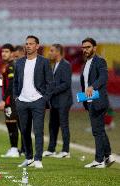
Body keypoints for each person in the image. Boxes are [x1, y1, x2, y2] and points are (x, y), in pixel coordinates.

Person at [13, 35, 53, 169]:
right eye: (26, 44)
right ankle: (29, 157)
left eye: (31, 44)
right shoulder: (19, 62)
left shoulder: (44, 62)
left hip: (38, 101)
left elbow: (50, 83)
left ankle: (38, 159)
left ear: (37, 46)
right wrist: (16, 97)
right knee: (24, 131)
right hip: (22, 101)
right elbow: (16, 82)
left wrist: (44, 99)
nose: (28, 46)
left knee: (38, 130)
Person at [80, 37, 115, 168]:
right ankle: (108, 156)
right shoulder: (85, 64)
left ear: (94, 48)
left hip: (98, 100)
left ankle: (99, 160)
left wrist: (92, 86)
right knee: (99, 130)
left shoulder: (100, 61)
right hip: (89, 101)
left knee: (97, 130)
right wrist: (84, 98)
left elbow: (103, 78)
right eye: (83, 47)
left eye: (88, 47)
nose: (85, 50)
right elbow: (85, 84)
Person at [43, 44, 73, 158]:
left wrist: (51, 91)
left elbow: (66, 84)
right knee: (53, 125)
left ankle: (66, 151)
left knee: (64, 125)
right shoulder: (54, 65)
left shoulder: (65, 65)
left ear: (58, 52)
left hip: (63, 101)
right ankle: (51, 149)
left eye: (51, 51)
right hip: (55, 101)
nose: (49, 53)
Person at [0, 43, 19, 158]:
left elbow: (11, 85)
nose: (3, 54)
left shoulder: (11, 66)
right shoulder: (6, 65)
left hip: (11, 101)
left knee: (12, 124)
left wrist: (4, 100)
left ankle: (15, 149)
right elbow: (6, 84)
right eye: (2, 52)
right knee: (10, 124)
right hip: (9, 100)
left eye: (6, 51)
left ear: (12, 53)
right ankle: (15, 148)